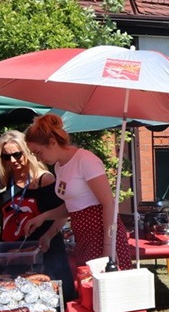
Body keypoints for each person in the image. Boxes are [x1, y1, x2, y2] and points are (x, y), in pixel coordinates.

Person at [23, 114, 132, 270]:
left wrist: (108, 249)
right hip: (84, 237)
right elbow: (73, 206)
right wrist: (44, 218)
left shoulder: (85, 160)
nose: (38, 159)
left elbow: (109, 204)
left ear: (52, 142)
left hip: (103, 236)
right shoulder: (59, 167)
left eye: (38, 152)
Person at [0, 131, 76, 301]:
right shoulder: (1, 183)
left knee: (54, 300)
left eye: (17, 155)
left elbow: (62, 213)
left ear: (27, 151)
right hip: (12, 253)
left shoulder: (45, 179)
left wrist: (48, 235)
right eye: (6, 157)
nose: (13, 161)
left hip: (46, 250)